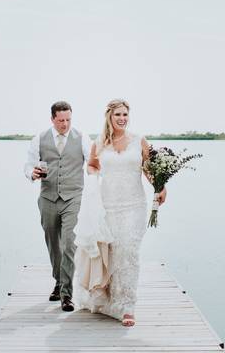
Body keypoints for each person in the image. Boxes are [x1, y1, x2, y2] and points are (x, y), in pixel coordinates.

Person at [75, 99, 166, 327]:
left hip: (134, 206)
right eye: (118, 115)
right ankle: (110, 299)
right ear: (109, 117)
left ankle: (127, 306)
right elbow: (93, 165)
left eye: (125, 114)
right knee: (113, 252)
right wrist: (93, 177)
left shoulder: (139, 141)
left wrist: (160, 186)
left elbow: (148, 168)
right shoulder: (100, 143)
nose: (122, 118)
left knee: (129, 252)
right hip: (107, 206)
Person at [23, 100, 89, 312]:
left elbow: (93, 161)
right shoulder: (39, 139)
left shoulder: (82, 138)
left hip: (73, 197)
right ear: (52, 119)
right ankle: (58, 281)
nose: (65, 124)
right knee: (53, 243)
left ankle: (66, 294)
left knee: (69, 243)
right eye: (60, 120)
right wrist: (32, 173)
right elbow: (29, 164)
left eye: (68, 119)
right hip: (48, 197)